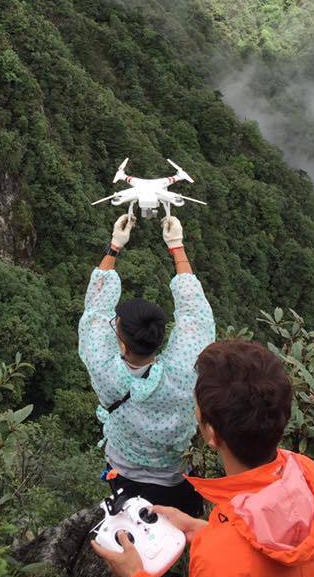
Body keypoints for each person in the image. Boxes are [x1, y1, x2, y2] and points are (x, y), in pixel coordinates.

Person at [93, 339, 314, 577]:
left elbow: (235, 562)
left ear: (211, 434)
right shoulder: (310, 478)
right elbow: (267, 550)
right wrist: (205, 531)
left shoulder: (218, 562)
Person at [78, 213, 216, 516]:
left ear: (123, 344)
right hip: (175, 479)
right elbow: (195, 316)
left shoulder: (103, 369)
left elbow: (95, 310)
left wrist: (115, 246)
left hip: (123, 472)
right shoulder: (183, 374)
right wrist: (176, 246)